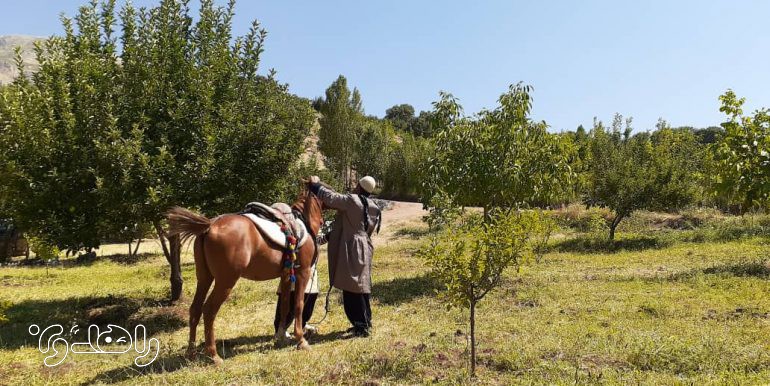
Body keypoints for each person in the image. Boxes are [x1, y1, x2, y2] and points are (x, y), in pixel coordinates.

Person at [309, 175, 381, 337]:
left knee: (352, 287)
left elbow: (331, 198)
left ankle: (361, 327)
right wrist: (325, 238)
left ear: (359, 186)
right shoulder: (372, 205)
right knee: (361, 286)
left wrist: (315, 186)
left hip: (353, 246)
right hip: (365, 246)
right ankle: (364, 323)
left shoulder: (352, 201)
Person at [273, 259, 319, 338]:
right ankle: (281, 329)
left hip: (309, 262)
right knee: (292, 292)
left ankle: (302, 324)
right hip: (294, 260)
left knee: (311, 293)